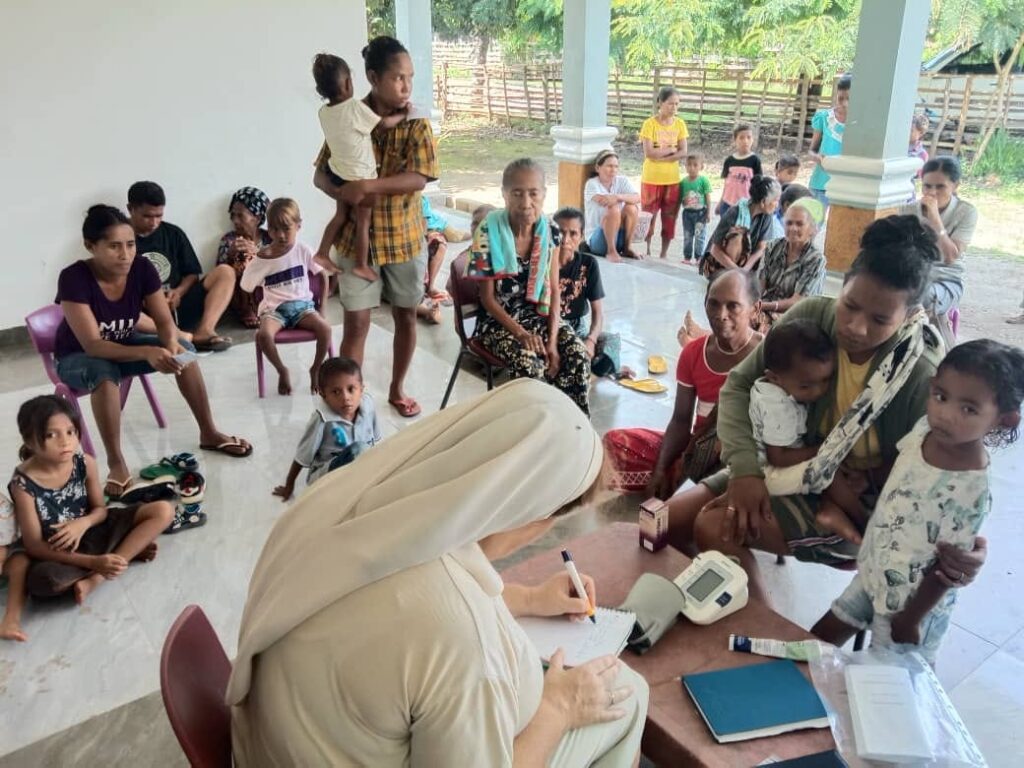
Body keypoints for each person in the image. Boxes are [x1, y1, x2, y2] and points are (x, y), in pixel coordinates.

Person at [228, 379, 649, 767]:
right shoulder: (460, 636)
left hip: (266, 747)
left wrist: (530, 598)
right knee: (627, 696)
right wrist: (557, 710)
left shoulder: (338, 498)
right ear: (526, 509)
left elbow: (387, 606)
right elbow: (432, 629)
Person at [667, 216, 987, 603]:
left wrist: (965, 543)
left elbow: (951, 469)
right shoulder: (812, 317)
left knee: (715, 527)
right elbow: (737, 387)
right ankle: (708, 610)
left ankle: (766, 640)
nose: (855, 327)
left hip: (857, 504)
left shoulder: (921, 373)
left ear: (908, 316)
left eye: (880, 319)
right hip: (790, 468)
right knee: (665, 522)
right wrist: (746, 473)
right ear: (843, 285)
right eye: (849, 305)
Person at [813, 340, 1024, 664]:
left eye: (968, 409)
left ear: (1003, 419)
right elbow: (903, 458)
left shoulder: (969, 488)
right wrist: (868, 477)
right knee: (814, 644)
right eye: (940, 396)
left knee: (890, 688)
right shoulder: (925, 428)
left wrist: (909, 620)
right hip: (874, 574)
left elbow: (949, 567)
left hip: (911, 608)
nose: (945, 414)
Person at [55, 205, 252, 498]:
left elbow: (162, 320)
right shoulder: (74, 278)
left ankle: (209, 432)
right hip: (77, 358)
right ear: (90, 246)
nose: (125, 254)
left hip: (122, 347)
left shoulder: (141, 269)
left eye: (130, 244)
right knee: (103, 370)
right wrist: (148, 351)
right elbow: (93, 346)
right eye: (113, 247)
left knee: (185, 348)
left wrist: (170, 345)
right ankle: (117, 463)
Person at [313, 36, 439, 419]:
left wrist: (366, 186)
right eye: (398, 78)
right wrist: (343, 191)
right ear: (372, 77)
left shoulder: (416, 121)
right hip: (357, 243)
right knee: (357, 324)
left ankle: (397, 389)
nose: (406, 86)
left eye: (410, 78)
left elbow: (420, 177)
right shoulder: (348, 112)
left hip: (404, 239)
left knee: (405, 315)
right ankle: (346, 403)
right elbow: (320, 174)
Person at [604, 270, 763, 500]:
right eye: (713, 304)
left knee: (722, 485)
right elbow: (680, 421)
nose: (721, 314)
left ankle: (693, 489)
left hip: (740, 458)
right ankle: (683, 484)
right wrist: (660, 469)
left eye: (733, 306)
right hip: (696, 448)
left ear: (755, 310)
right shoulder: (694, 352)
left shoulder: (766, 356)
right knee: (615, 444)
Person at [9, 395, 173, 606]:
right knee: (44, 582)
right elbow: (34, 546)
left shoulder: (85, 462)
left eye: (71, 432)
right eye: (51, 435)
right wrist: (92, 561)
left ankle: (97, 578)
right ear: (30, 440)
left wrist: (82, 523)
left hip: (95, 527)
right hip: (60, 550)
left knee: (163, 511)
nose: (65, 441)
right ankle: (124, 553)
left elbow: (100, 510)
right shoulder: (22, 484)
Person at [470, 159, 592, 415]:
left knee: (578, 357)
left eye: (533, 193)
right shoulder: (487, 231)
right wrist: (521, 334)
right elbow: (488, 300)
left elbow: (555, 290)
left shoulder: (551, 231)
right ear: (504, 194)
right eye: (517, 193)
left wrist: (553, 340)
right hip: (498, 323)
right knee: (530, 365)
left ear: (544, 194)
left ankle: (572, 428)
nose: (526, 203)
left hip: (539, 315)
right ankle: (530, 431)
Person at [749, 321, 861, 542]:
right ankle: (865, 523)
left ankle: (829, 509)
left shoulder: (784, 385)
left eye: (825, 380)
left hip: (777, 462)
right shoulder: (777, 405)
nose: (818, 391)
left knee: (834, 469)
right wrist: (821, 450)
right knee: (830, 470)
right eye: (806, 386)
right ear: (774, 378)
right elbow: (777, 457)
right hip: (768, 475)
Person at [312, 53, 407, 284]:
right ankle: (362, 266)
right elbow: (382, 125)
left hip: (338, 175)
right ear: (347, 84)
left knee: (341, 215)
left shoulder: (323, 112)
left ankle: (322, 252)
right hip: (361, 179)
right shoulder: (355, 109)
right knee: (364, 222)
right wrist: (402, 115)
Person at [127, 181, 235, 352]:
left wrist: (179, 292)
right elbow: (113, 284)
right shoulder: (120, 239)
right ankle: (181, 336)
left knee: (226, 272)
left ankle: (205, 330)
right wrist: (148, 298)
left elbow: (192, 274)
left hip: (177, 306)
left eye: (159, 215)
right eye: (147, 216)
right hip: (146, 316)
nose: (154, 222)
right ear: (130, 209)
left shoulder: (173, 233)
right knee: (123, 310)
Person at [240, 198, 332, 396]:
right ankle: (282, 370)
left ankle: (316, 368)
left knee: (325, 329)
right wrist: (257, 261)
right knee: (263, 335)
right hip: (274, 311)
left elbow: (323, 276)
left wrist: (322, 308)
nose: (280, 235)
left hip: (303, 307)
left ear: (299, 225)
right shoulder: (262, 258)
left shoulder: (303, 250)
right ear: (268, 229)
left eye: (286, 229)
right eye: (274, 229)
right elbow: (246, 286)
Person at [272, 357, 382, 501]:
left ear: (361, 390)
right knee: (359, 449)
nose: (345, 397)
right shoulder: (322, 420)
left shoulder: (368, 406)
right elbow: (302, 455)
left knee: (373, 454)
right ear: (324, 395)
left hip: (354, 469)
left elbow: (375, 441)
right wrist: (289, 485)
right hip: (325, 473)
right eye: (336, 392)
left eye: (351, 389)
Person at [899, 156, 978, 348]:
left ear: (955, 185)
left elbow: (951, 256)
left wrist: (935, 220)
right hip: (913, 275)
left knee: (917, 298)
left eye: (940, 186)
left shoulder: (966, 212)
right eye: (927, 186)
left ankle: (939, 352)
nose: (932, 192)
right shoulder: (909, 211)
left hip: (945, 280)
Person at [756, 197, 827, 330]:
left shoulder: (815, 259)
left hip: (796, 316)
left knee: (764, 329)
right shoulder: (772, 247)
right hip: (765, 307)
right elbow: (760, 285)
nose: (793, 228)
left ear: (812, 229)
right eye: (789, 223)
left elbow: (798, 302)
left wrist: (764, 307)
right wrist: (754, 305)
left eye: (799, 224)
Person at [639, 87, 688, 259]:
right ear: (660, 102)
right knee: (648, 217)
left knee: (670, 218)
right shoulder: (649, 124)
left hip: (672, 180)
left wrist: (664, 156)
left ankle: (663, 253)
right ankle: (647, 250)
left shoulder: (680, 124)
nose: (674, 108)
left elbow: (683, 151)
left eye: (677, 104)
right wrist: (671, 150)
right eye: (670, 104)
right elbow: (649, 153)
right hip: (651, 179)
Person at [701, 175, 781, 278]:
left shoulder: (766, 216)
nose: (777, 205)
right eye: (776, 200)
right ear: (763, 202)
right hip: (718, 265)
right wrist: (737, 271)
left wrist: (745, 269)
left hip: (742, 267)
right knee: (738, 236)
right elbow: (715, 250)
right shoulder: (734, 213)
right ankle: (729, 277)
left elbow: (761, 248)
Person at [215, 187, 272, 329]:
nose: (235, 220)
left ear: (257, 218)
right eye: (233, 215)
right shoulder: (228, 240)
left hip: (269, 291)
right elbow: (219, 274)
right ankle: (249, 310)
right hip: (239, 298)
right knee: (243, 257)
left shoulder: (270, 237)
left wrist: (258, 253)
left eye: (240, 216)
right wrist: (230, 255)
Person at [554, 207, 605, 359]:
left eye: (573, 233)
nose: (565, 239)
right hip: (551, 326)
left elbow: (598, 312)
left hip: (577, 326)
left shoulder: (588, 264)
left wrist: (591, 340)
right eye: (560, 232)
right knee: (571, 354)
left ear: (582, 236)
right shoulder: (543, 263)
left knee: (609, 345)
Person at [583, 149, 641, 262]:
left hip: (619, 238)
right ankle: (611, 251)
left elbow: (637, 198)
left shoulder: (622, 181)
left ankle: (627, 248)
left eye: (616, 166)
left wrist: (618, 197)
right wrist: (621, 198)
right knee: (613, 209)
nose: (613, 170)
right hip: (599, 241)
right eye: (609, 166)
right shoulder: (592, 184)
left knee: (631, 208)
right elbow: (605, 201)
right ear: (598, 168)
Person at [808, 75, 851, 209]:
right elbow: (811, 151)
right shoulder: (825, 118)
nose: (844, 103)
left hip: (846, 186)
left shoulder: (859, 123)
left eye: (849, 99)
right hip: (821, 183)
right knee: (813, 225)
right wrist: (821, 159)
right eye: (841, 98)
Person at [716, 123, 763, 216]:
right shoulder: (729, 160)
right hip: (727, 203)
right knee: (726, 230)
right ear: (734, 140)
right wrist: (720, 202)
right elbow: (726, 184)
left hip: (745, 205)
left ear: (753, 140)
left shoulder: (755, 160)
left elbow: (758, 185)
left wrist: (757, 205)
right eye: (741, 138)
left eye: (749, 137)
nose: (745, 141)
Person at [0, 497, 29, 641]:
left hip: (4, 559)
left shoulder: (1, 504)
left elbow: (3, 541)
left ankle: (11, 619)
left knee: (20, 562)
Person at [679, 153, 713, 264]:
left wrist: (708, 212)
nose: (692, 168)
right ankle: (687, 257)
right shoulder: (683, 182)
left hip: (700, 213)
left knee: (700, 236)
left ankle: (699, 258)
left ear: (701, 167)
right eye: (689, 165)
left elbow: (708, 197)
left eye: (695, 165)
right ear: (685, 166)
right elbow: (681, 198)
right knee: (687, 236)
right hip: (687, 213)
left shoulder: (704, 181)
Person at [908, 112, 930, 195]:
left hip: (907, 195)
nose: (906, 132)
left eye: (911, 131)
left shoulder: (921, 154)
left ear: (921, 133)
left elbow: (916, 174)